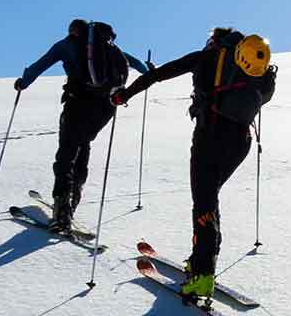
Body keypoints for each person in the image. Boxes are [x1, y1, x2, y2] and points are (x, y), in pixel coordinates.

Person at [112, 27, 276, 299]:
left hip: (210, 137)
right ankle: (203, 260)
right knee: (209, 198)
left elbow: (158, 75)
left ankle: (202, 274)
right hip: (241, 141)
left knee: (204, 202)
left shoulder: (205, 57)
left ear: (214, 40)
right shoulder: (249, 63)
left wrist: (124, 95)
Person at [16, 19, 150, 233]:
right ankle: (72, 201)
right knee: (83, 144)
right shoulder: (109, 48)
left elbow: (40, 65)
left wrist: (23, 82)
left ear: (72, 31)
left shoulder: (66, 45)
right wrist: (148, 69)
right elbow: (137, 65)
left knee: (67, 152)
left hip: (77, 103)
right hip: (105, 107)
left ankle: (61, 209)